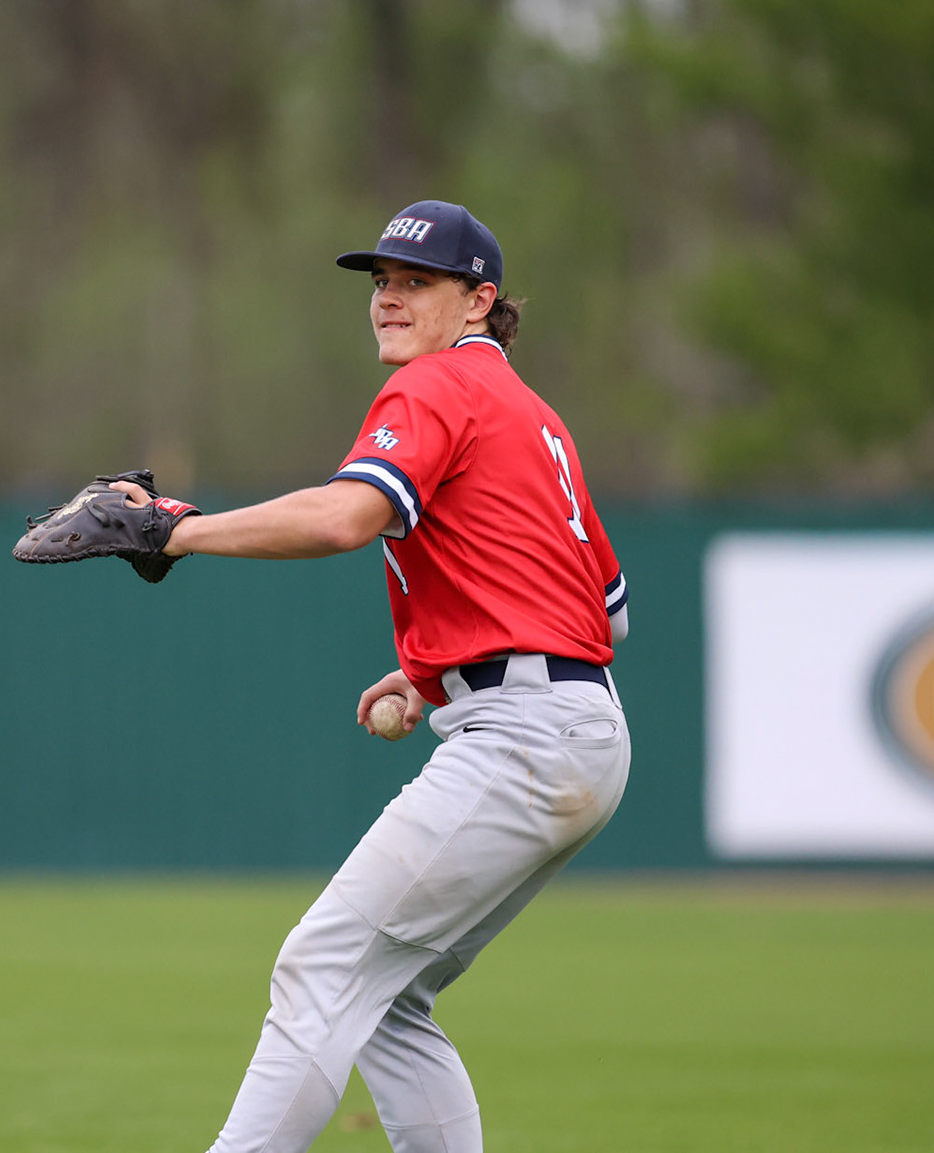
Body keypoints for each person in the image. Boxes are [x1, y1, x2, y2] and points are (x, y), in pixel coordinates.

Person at [116, 199, 631, 1153]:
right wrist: (433, 669)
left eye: (418, 282)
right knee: (388, 998)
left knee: (322, 966)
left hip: (522, 739)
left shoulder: (437, 388)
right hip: (575, 728)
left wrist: (174, 531)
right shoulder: (538, 419)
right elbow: (607, 610)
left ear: (480, 300)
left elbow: (345, 518)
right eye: (382, 282)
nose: (389, 299)